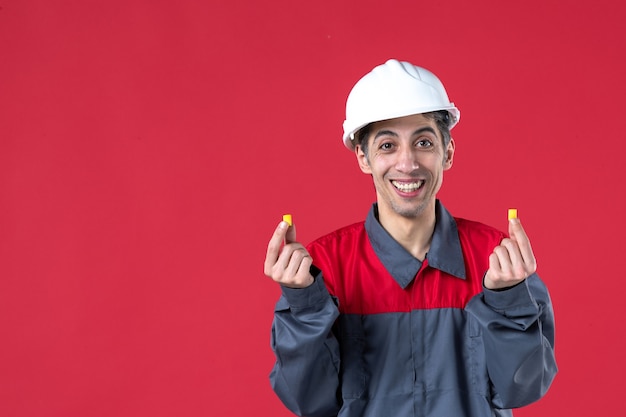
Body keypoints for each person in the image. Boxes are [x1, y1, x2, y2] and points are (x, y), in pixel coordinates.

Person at [263, 59, 557, 417]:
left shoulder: (497, 260)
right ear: (363, 157)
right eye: (387, 145)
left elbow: (523, 387)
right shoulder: (323, 268)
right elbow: (307, 401)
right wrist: (306, 306)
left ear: (447, 153)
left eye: (423, 142)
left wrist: (506, 301)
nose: (407, 163)